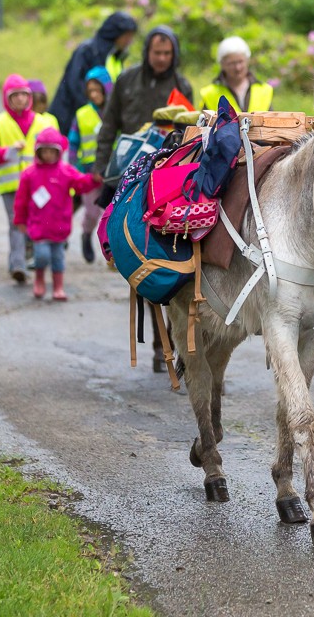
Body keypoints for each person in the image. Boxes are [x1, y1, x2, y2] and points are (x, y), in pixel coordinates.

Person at [92, 25, 193, 373]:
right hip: (129, 177)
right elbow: (109, 126)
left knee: (174, 261)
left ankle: (172, 340)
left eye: (167, 54)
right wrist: (100, 166)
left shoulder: (183, 85)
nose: (161, 59)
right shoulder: (127, 81)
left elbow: (191, 134)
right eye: (156, 53)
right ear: (147, 52)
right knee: (140, 260)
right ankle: (156, 343)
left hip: (168, 181)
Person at [0, 74, 59, 282]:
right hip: (10, 185)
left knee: (37, 222)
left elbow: (60, 147)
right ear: (7, 99)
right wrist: (6, 152)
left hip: (37, 186)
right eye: (15, 96)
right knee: (16, 223)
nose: (20, 100)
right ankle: (17, 265)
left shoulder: (42, 123)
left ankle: (32, 257)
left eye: (24, 95)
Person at [14, 127, 99, 300]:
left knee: (58, 258)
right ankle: (39, 279)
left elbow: (81, 183)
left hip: (59, 226)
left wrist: (94, 179)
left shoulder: (65, 171)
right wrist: (20, 220)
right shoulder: (29, 174)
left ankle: (58, 287)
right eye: (44, 151)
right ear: (38, 151)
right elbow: (21, 201)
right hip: (38, 227)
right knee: (42, 256)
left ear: (58, 152)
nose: (48, 155)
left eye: (52, 152)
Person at [49, 11, 138, 134]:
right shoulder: (88, 51)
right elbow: (75, 86)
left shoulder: (115, 57)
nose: (129, 41)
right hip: (70, 119)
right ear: (116, 34)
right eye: (127, 36)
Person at [67, 66, 110, 263]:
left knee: (110, 213)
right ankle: (86, 235)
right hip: (89, 173)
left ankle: (111, 251)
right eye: (90, 90)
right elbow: (73, 143)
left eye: (98, 90)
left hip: (112, 172)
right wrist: (74, 169)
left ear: (107, 89)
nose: (94, 94)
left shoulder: (114, 113)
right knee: (92, 212)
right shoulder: (82, 114)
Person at [198, 35, 274, 113]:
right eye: (232, 63)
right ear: (222, 64)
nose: (237, 68)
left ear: (247, 60)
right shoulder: (210, 94)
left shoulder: (263, 90)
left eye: (240, 61)